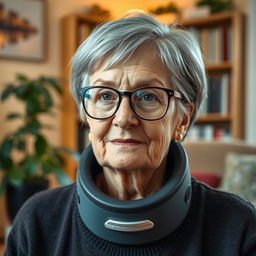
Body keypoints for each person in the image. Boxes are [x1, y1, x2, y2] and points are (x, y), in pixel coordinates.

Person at [5, 13, 256, 256]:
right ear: (86, 113)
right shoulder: (37, 222)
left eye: (148, 96)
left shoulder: (239, 227)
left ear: (182, 119)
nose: (124, 118)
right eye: (105, 95)